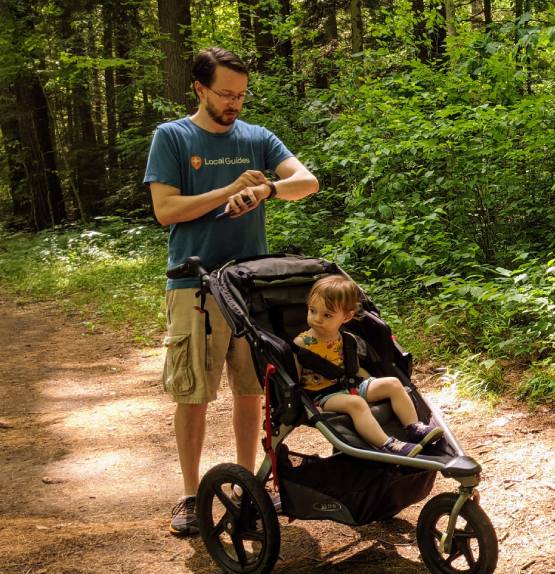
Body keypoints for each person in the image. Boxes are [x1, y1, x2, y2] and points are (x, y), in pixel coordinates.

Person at [143, 47, 319, 536]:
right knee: (193, 394)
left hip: (251, 286)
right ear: (199, 88)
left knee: (252, 391)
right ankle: (188, 495)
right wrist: (227, 190)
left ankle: (249, 483)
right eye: (225, 94)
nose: (234, 104)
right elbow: (166, 210)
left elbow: (307, 182)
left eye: (241, 95)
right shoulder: (173, 137)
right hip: (193, 285)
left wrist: (265, 191)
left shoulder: (257, 137)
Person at [295, 275, 443, 456]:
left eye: (327, 315)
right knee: (356, 403)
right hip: (324, 396)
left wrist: (371, 384)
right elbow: (295, 377)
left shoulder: (347, 340)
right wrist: (306, 404)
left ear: (347, 317)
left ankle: (414, 428)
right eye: (312, 311)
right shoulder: (302, 343)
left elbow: (354, 368)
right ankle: (388, 444)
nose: (317, 319)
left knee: (393, 384)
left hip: (352, 385)